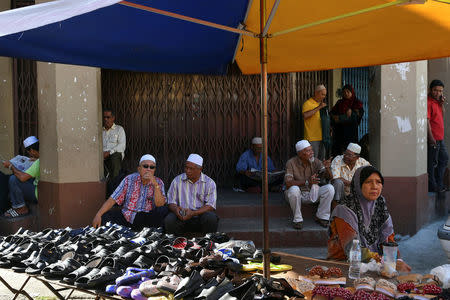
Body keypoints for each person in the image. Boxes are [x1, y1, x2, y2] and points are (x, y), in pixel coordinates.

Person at [327, 166, 412, 273]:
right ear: (358, 184)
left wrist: (397, 259)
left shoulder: (380, 206)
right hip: (343, 265)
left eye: (378, 182)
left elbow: (389, 242)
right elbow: (351, 249)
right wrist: (383, 261)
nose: (374, 187)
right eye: (368, 182)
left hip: (375, 266)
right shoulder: (344, 210)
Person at [92, 154, 167, 230]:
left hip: (146, 219)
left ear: (154, 170)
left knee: (162, 211)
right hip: (128, 217)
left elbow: (160, 204)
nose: (148, 169)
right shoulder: (129, 179)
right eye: (145, 166)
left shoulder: (159, 182)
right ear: (139, 169)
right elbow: (113, 199)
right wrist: (98, 215)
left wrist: (155, 185)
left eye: (152, 167)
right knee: (105, 217)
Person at [284, 140, 334, 230]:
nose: (312, 153)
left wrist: (327, 168)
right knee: (293, 189)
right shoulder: (291, 163)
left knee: (330, 188)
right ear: (300, 154)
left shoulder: (316, 161)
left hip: (312, 192)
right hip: (297, 195)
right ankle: (298, 220)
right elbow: (288, 183)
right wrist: (307, 182)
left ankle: (322, 217)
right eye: (308, 151)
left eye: (311, 150)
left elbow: (330, 178)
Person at [165, 154, 218, 234]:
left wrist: (193, 213)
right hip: (181, 216)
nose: (187, 171)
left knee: (211, 218)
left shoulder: (209, 183)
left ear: (200, 169)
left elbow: (210, 205)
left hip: (200, 216)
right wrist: (176, 210)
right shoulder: (177, 181)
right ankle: (173, 243)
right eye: (186, 167)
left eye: (191, 169)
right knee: (169, 220)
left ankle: (208, 242)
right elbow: (171, 202)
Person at [1, 136, 40, 218]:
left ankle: (21, 208)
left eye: (29, 152)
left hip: (38, 193)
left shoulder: (38, 162)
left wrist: (11, 166)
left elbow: (22, 178)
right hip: (37, 186)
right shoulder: (40, 160)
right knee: (13, 177)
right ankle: (16, 205)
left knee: (14, 179)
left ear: (32, 150)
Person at [427, 79, 448, 193]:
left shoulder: (437, 102)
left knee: (444, 158)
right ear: (430, 90)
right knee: (432, 163)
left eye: (440, 91)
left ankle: (439, 184)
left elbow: (442, 115)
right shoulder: (428, 102)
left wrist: (441, 104)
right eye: (435, 90)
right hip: (434, 139)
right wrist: (431, 138)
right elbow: (427, 121)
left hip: (440, 138)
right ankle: (433, 186)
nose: (438, 93)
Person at [330, 84, 364, 156]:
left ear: (352, 92)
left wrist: (339, 118)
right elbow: (332, 114)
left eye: (348, 92)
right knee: (338, 152)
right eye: (344, 92)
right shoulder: (339, 103)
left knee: (350, 152)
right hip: (339, 132)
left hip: (350, 132)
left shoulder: (357, 103)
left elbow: (355, 117)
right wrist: (336, 118)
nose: (346, 93)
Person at [303, 84, 328, 159]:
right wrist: (319, 107)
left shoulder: (321, 104)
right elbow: (305, 115)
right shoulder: (308, 103)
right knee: (312, 160)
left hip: (323, 137)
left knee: (321, 160)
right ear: (316, 93)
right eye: (322, 94)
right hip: (312, 138)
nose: (324, 96)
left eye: (325, 95)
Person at [103, 108, 126, 180]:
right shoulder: (100, 131)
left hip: (114, 154)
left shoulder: (119, 129)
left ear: (113, 118)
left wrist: (109, 152)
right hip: (102, 155)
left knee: (115, 158)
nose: (106, 119)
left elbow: (122, 146)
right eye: (104, 117)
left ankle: (116, 183)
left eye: (108, 117)